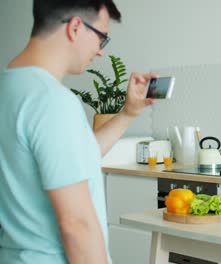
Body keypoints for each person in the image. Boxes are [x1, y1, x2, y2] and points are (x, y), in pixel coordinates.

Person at [0, 1, 157, 263]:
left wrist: (128, 113)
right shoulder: (51, 100)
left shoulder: (10, 89)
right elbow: (77, 225)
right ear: (75, 27)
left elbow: (74, 160)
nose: (100, 52)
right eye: (102, 38)